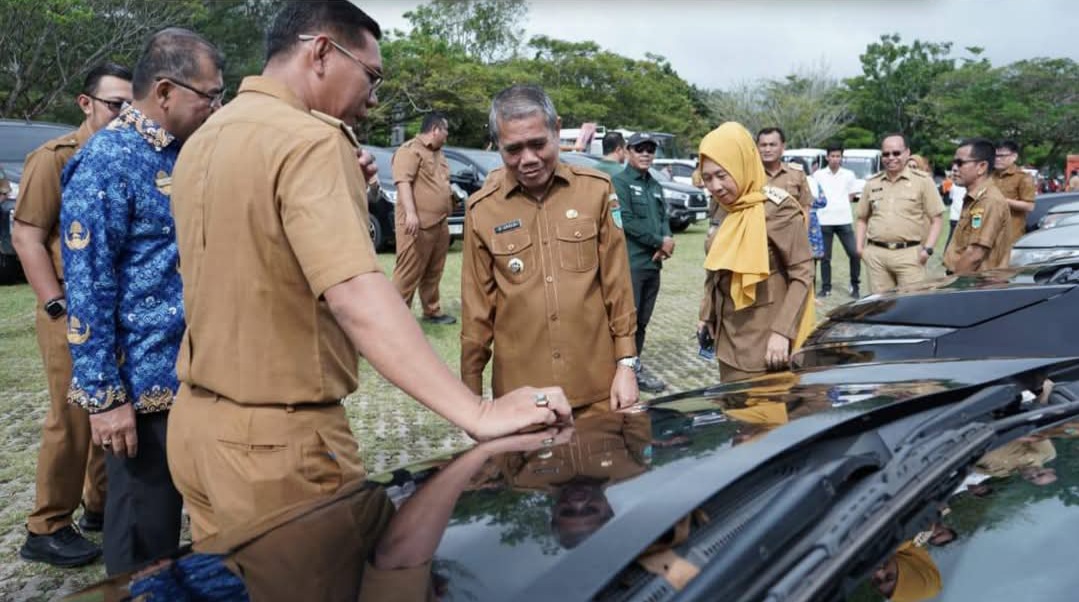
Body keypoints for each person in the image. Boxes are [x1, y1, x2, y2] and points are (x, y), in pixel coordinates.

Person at [168, 2, 572, 544]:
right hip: (277, 447)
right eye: (372, 75)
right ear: (320, 53)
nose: (374, 96)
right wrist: (476, 410)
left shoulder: (205, 138)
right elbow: (356, 294)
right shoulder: (309, 140)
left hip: (195, 428)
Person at [60, 29, 223, 575]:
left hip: (196, 380)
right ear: (166, 91)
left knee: (200, 539)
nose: (215, 106)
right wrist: (105, 398)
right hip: (141, 396)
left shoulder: (190, 154)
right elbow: (87, 287)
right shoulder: (107, 160)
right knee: (142, 543)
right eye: (209, 94)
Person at [12, 62, 132, 568]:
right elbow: (27, 235)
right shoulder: (54, 157)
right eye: (114, 104)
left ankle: (99, 507)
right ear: (86, 103)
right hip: (71, 308)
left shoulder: (129, 152)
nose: (124, 114)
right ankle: (46, 525)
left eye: (132, 104)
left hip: (117, 307)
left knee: (112, 405)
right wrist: (55, 302)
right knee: (72, 416)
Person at [460, 84, 638, 416]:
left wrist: (626, 365)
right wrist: (471, 402)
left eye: (538, 144)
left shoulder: (596, 190)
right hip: (521, 398)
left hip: (599, 388)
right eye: (513, 149)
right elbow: (476, 315)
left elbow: (618, 285)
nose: (528, 159)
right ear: (496, 144)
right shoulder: (481, 211)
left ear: (556, 130)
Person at [697, 122, 814, 383]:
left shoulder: (778, 208)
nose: (715, 186)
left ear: (741, 165)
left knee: (764, 419)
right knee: (735, 415)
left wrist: (782, 332)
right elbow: (714, 266)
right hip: (728, 335)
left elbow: (803, 273)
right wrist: (706, 314)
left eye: (722, 175)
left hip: (766, 341)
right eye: (707, 178)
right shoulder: (721, 206)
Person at [612, 132, 674, 393]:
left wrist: (667, 238)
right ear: (628, 151)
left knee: (643, 322)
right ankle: (620, 370)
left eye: (650, 149)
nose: (646, 154)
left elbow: (663, 217)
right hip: (632, 264)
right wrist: (658, 241)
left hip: (652, 265)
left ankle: (633, 367)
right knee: (628, 322)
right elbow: (624, 219)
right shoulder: (619, 182)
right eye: (640, 149)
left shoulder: (655, 185)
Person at [855, 134, 945, 293]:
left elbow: (937, 219)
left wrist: (928, 250)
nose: (891, 158)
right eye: (886, 154)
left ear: (907, 153)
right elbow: (862, 218)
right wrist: (860, 249)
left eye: (896, 153)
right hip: (877, 255)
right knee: (881, 307)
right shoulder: (872, 183)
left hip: (909, 254)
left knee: (912, 306)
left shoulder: (923, 181)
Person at [390, 111, 456, 324]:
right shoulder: (409, 151)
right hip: (416, 224)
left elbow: (441, 182)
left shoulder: (439, 154)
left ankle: (432, 311)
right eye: (445, 130)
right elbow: (403, 182)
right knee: (408, 272)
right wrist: (410, 213)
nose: (447, 135)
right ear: (435, 130)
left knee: (434, 270)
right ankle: (394, 319)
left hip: (439, 222)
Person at [943, 138, 1012, 276]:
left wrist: (953, 286)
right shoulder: (975, 197)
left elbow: (974, 255)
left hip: (977, 285)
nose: (954, 168)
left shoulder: (989, 200)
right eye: (954, 163)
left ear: (981, 167)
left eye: (960, 163)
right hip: (969, 281)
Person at [812, 145, 861, 298]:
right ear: (827, 157)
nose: (835, 159)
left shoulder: (849, 174)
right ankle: (826, 288)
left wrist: (840, 206)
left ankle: (855, 285)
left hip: (844, 219)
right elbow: (814, 194)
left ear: (841, 157)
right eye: (832, 156)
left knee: (854, 253)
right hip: (824, 219)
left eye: (838, 156)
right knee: (825, 257)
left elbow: (851, 196)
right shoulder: (818, 175)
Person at [756, 127, 814, 210]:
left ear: (783, 147)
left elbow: (805, 206)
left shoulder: (796, 173)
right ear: (757, 147)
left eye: (772, 145)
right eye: (763, 145)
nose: (767, 149)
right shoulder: (750, 175)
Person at [992, 140, 1037, 245]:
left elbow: (1030, 206)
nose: (997, 159)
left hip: (1011, 235)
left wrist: (1002, 200)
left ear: (1014, 157)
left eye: (1002, 156)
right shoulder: (988, 176)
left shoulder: (1023, 177)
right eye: (995, 156)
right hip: (989, 234)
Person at [943, 165, 967, 250]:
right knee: (953, 237)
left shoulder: (957, 186)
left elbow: (949, 199)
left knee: (955, 238)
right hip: (956, 217)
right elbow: (947, 197)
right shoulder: (953, 185)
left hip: (960, 216)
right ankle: (947, 254)